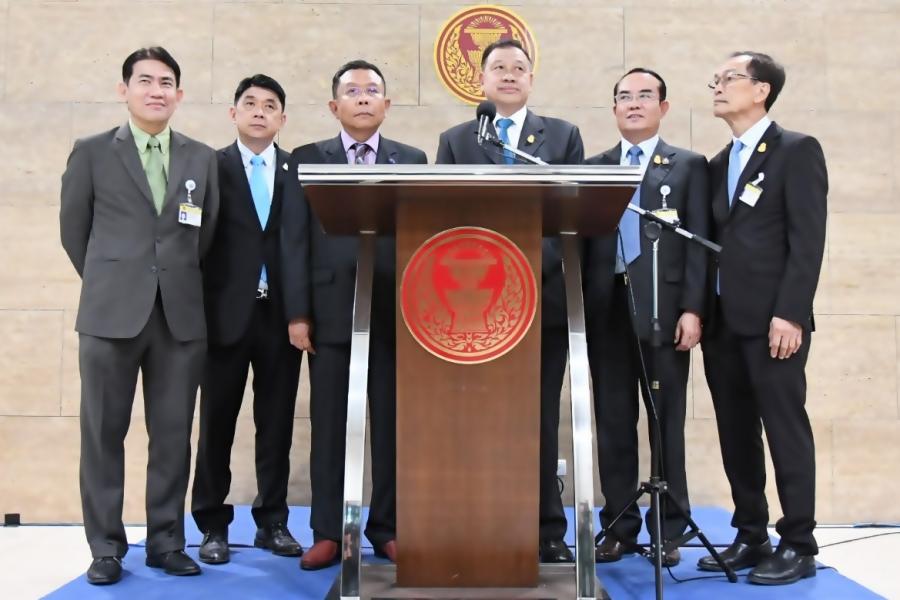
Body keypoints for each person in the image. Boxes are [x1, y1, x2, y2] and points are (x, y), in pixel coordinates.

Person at [60, 46, 219, 585]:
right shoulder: (91, 152)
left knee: (173, 436)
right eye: (145, 80)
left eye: (166, 82)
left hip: (179, 317)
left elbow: (205, 234)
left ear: (179, 94)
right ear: (123, 90)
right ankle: (106, 547)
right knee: (103, 434)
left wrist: (168, 278)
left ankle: (166, 542)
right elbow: (74, 231)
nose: (156, 90)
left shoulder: (202, 158)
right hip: (110, 315)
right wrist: (115, 280)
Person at [436, 38, 584, 563]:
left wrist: (521, 262)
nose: (508, 75)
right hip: (470, 303)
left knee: (538, 418)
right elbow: (443, 218)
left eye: (519, 67)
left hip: (542, 297)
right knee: (472, 415)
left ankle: (547, 528)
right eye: (498, 67)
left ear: (531, 79)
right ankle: (471, 521)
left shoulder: (562, 136)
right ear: (481, 80)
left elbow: (571, 217)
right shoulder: (456, 140)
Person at [281, 59, 428, 570]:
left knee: (391, 427)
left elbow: (421, 241)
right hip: (329, 314)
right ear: (334, 105)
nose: (363, 98)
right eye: (352, 91)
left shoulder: (412, 160)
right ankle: (328, 531)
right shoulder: (307, 159)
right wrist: (298, 313)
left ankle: (387, 527)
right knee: (330, 428)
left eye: (372, 90)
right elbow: (292, 241)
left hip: (395, 315)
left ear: (386, 104)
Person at [698, 51, 827, 585]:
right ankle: (750, 533)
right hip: (723, 321)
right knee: (735, 432)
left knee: (784, 428)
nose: (718, 86)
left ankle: (798, 543)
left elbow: (807, 241)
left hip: (775, 322)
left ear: (761, 90)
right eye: (716, 79)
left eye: (730, 78)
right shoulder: (716, 164)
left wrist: (790, 314)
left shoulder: (796, 151)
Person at [584, 68, 709, 568]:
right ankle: (619, 525)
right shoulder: (595, 168)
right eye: (624, 97)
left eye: (644, 96)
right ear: (614, 108)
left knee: (665, 422)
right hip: (606, 310)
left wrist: (693, 309)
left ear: (664, 107)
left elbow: (699, 245)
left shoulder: (688, 166)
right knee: (613, 422)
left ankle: (668, 529)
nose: (633, 104)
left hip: (664, 310)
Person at [190, 74, 303, 565]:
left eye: (270, 105)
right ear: (233, 113)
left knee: (275, 425)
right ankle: (212, 525)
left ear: (282, 118)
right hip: (223, 317)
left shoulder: (297, 170)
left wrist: (301, 313)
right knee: (216, 423)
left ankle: (272, 521)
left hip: (280, 317)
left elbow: (303, 244)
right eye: (250, 103)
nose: (260, 111)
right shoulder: (209, 167)